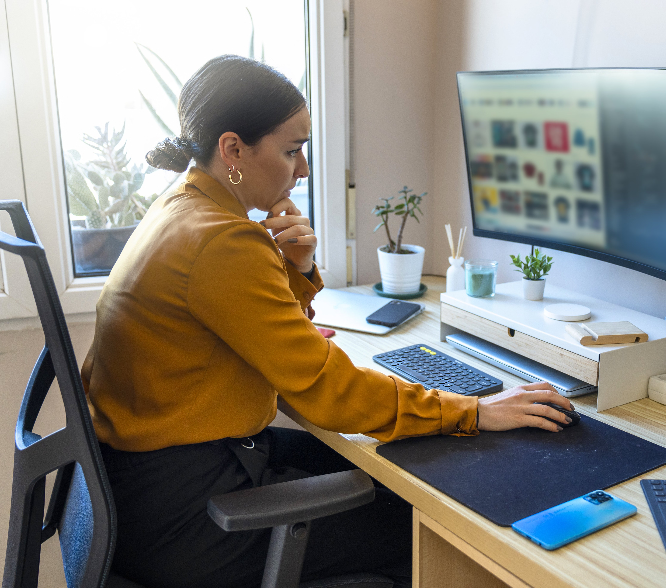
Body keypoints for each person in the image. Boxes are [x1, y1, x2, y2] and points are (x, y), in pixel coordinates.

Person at [81, 55, 574, 588]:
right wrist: (474, 410)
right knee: (429, 525)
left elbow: (267, 339)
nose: (304, 170)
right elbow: (325, 390)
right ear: (233, 149)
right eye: (293, 150)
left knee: (395, 476)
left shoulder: (183, 208)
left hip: (143, 490)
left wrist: (297, 269)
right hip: (193, 515)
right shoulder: (222, 240)